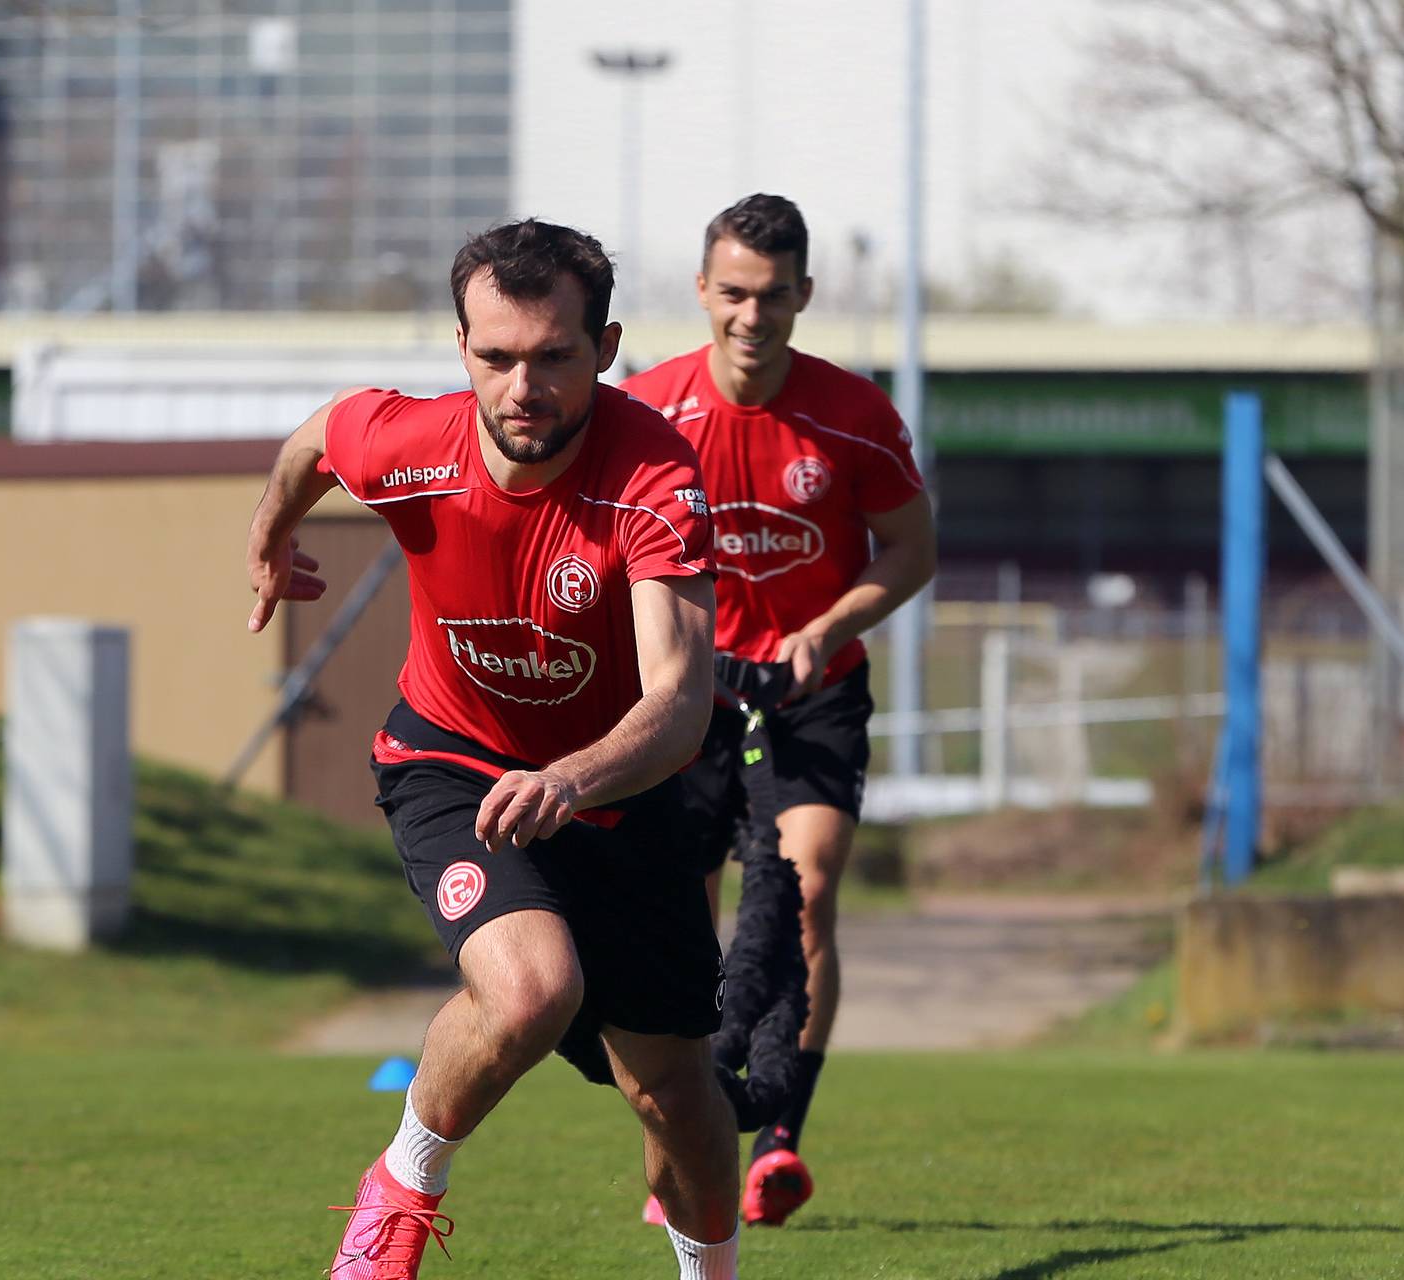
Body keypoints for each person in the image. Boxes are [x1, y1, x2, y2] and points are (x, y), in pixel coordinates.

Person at [244, 219, 742, 1279]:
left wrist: (570, 776)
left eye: (555, 356)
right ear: (461, 346)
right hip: (452, 762)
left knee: (684, 1108)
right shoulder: (408, 442)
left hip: (619, 788)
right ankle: (397, 1198)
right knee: (530, 987)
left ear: (604, 348)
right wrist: (272, 532)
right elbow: (317, 439)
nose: (525, 387)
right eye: (497, 356)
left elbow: (681, 700)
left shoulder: (654, 476)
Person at [617, 193, 939, 1228]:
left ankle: (781, 1137)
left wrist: (830, 625)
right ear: (702, 291)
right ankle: (678, 1155)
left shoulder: (854, 415)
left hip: (813, 697)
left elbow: (912, 549)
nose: (751, 316)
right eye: (733, 294)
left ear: (805, 294)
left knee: (805, 894)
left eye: (773, 296)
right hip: (688, 700)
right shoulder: (651, 411)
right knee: (680, 920)